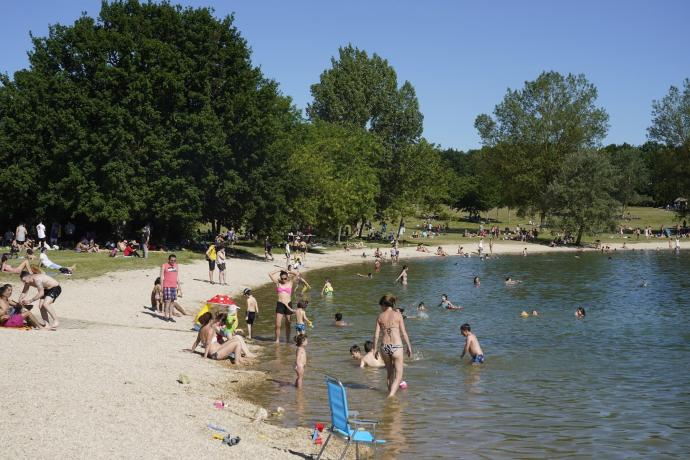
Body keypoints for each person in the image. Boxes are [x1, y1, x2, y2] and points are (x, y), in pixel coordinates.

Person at [373, 294, 413, 398]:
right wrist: (409, 346)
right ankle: (391, 396)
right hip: (396, 347)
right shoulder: (398, 314)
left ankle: (390, 394)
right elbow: (404, 332)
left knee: (389, 374)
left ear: (384, 304)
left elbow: (376, 335)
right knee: (398, 376)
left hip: (384, 347)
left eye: (381, 305)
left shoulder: (380, 316)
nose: (380, 308)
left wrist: (374, 349)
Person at [269, 269, 300, 343]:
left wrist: (288, 271)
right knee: (277, 324)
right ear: (280, 277)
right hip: (280, 304)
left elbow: (297, 274)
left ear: (287, 277)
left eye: (285, 278)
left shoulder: (290, 282)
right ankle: (277, 340)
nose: (283, 280)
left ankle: (287, 340)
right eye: (282, 278)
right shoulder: (277, 283)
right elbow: (270, 273)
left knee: (288, 324)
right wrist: (279, 270)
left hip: (288, 304)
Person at [159, 254, 182, 322]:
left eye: (174, 260)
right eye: (171, 260)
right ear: (168, 260)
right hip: (167, 285)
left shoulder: (176, 266)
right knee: (167, 301)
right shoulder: (164, 265)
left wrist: (179, 287)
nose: (173, 262)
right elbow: (161, 277)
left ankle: (170, 316)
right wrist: (162, 287)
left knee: (172, 301)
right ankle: (165, 316)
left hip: (174, 286)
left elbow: (177, 276)